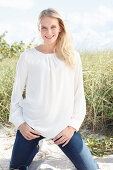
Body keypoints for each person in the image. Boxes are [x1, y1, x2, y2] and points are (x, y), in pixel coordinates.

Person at [9, 8, 99, 170]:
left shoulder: (72, 56)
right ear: (39, 29)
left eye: (53, 27)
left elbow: (78, 95)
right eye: (44, 27)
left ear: (60, 28)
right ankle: (35, 145)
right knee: (16, 168)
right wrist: (21, 124)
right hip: (32, 126)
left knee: (90, 169)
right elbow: (16, 96)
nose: (48, 32)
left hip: (62, 128)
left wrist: (72, 127)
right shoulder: (28, 57)